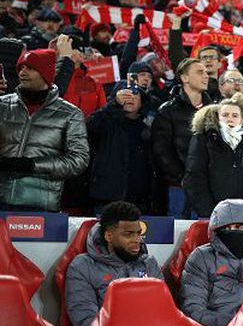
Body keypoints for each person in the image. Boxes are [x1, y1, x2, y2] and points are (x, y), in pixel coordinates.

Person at [0, 49, 89, 211]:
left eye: (30, 68)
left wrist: (33, 165)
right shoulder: (2, 105)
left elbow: (79, 160)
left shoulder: (70, 114)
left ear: (46, 74)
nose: (23, 72)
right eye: (21, 67)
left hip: (41, 205)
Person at [66, 201, 163, 326]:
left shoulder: (149, 263)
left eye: (138, 233)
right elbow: (85, 322)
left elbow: (163, 312)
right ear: (109, 236)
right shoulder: (82, 266)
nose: (137, 240)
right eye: (128, 234)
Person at [183, 96, 243, 218]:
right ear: (217, 118)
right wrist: (210, 213)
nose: (230, 119)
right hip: (211, 215)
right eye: (225, 115)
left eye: (235, 115)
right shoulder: (203, 140)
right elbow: (194, 177)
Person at [151, 58, 212, 216]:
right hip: (178, 187)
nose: (206, 76)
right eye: (200, 72)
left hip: (208, 187)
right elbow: (161, 151)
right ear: (184, 78)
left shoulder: (215, 112)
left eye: (206, 72)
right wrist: (182, 177)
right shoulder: (167, 111)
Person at [87, 82, 154, 213]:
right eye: (124, 94)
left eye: (135, 94)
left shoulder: (147, 129)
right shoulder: (106, 123)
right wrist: (114, 105)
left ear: (142, 102)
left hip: (140, 202)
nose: (129, 97)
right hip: (108, 199)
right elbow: (91, 126)